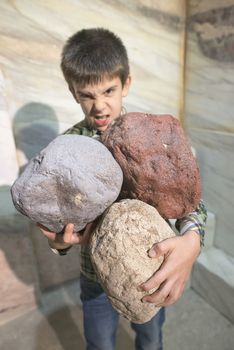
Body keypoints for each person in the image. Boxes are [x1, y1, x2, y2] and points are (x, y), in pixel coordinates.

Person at [39, 28, 207, 350]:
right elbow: (59, 224)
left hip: (151, 267)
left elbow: (189, 200)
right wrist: (59, 244)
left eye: (108, 91)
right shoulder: (67, 149)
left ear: (126, 84)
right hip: (94, 274)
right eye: (87, 95)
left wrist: (193, 240)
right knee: (99, 342)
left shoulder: (151, 136)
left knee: (151, 337)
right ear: (73, 93)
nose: (99, 106)